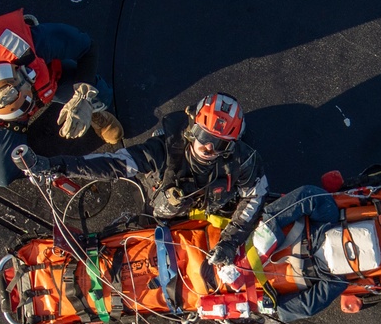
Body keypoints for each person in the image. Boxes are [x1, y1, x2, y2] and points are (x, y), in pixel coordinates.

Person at [21, 93, 267, 269]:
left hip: (213, 210)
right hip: (165, 211)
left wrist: (230, 242)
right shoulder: (163, 151)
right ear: (193, 127)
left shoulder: (242, 161)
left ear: (230, 146)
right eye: (203, 135)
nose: (208, 147)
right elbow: (111, 164)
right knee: (168, 204)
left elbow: (255, 195)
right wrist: (56, 166)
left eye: (219, 143)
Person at [0, 12, 124, 188]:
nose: (29, 112)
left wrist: (82, 97)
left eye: (27, 107)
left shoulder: (38, 43)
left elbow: (88, 46)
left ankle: (93, 114)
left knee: (101, 95)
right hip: (6, 114)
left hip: (45, 83)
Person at [246, 185, 350, 323]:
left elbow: (309, 196)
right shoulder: (335, 280)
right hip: (313, 257)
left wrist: (274, 306)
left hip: (312, 261)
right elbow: (308, 196)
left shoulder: (336, 280)